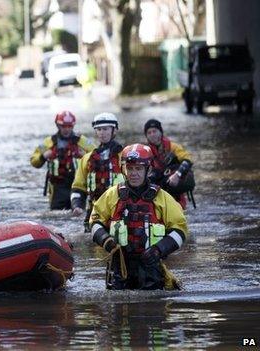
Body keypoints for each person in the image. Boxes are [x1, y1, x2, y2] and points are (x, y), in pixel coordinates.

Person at [89, 144, 188, 290]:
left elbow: (180, 230)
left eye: (138, 169)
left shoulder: (163, 198)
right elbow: (95, 221)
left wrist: (158, 250)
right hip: (119, 265)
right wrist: (106, 241)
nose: (133, 173)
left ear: (148, 170)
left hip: (150, 266)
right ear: (124, 169)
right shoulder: (112, 195)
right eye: (129, 168)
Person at [30, 111, 96, 210]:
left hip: (77, 186)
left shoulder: (82, 141)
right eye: (63, 126)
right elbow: (34, 161)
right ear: (58, 125)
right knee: (56, 214)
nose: (66, 129)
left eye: (69, 126)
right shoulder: (49, 142)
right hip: (57, 188)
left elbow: (97, 157)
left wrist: (85, 156)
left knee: (78, 213)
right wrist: (43, 156)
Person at [71, 113, 125, 232]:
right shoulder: (87, 159)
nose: (102, 132)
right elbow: (78, 187)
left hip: (119, 211)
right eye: (99, 129)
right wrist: (77, 206)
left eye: (105, 129)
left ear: (114, 130)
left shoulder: (124, 156)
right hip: (94, 211)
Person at [143, 119, 194, 209]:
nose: (152, 134)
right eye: (149, 133)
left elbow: (188, 160)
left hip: (176, 195)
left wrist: (177, 175)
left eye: (154, 131)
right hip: (157, 195)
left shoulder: (173, 147)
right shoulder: (145, 151)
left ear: (161, 132)